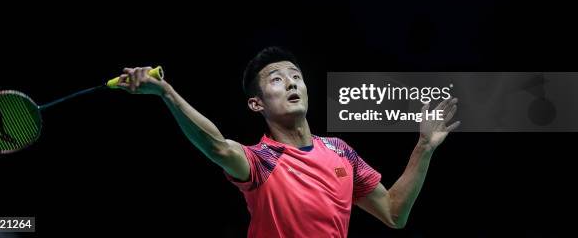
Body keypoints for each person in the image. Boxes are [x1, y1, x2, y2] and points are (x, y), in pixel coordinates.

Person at [117, 47, 459, 237]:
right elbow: (217, 146)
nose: (292, 84)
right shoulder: (260, 161)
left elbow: (394, 214)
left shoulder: (340, 152)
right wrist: (166, 92)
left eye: (296, 77)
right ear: (257, 103)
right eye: (277, 80)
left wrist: (423, 149)